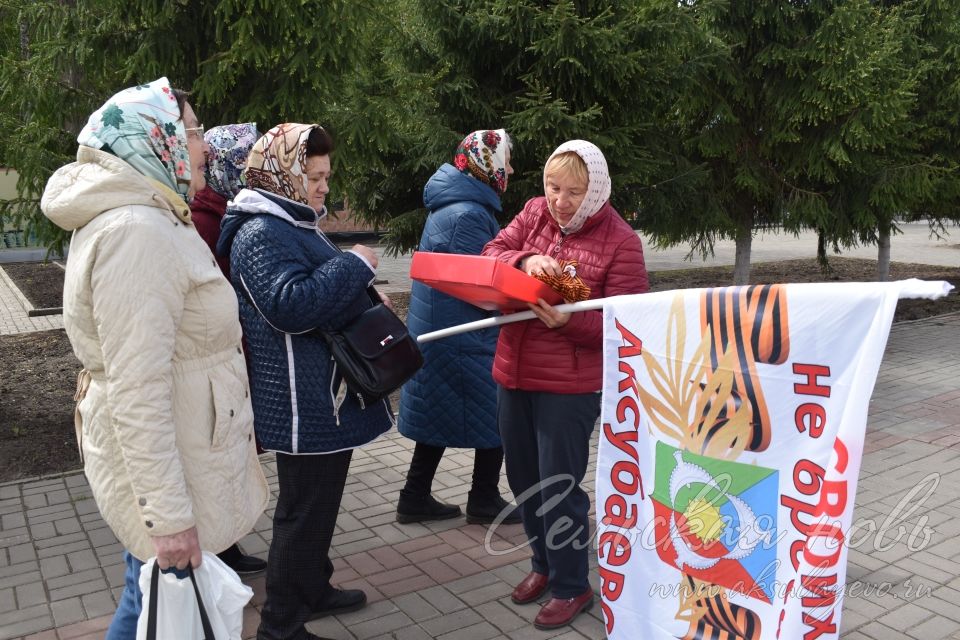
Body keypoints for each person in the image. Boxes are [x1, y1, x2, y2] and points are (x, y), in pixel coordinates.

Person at [40, 77, 269, 639]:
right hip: (175, 471)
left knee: (146, 597)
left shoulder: (153, 212)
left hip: (189, 453)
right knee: (152, 604)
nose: (204, 146)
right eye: (192, 131)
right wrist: (167, 519)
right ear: (156, 138)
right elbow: (136, 389)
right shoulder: (137, 231)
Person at [217, 123, 392, 640]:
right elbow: (289, 307)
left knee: (321, 506)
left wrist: (361, 293)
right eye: (313, 176)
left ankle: (313, 588)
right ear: (283, 175)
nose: (323, 188)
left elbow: (312, 294)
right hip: (300, 401)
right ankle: (280, 625)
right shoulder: (258, 232)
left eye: (326, 177)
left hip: (322, 398)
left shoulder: (291, 223)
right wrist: (356, 266)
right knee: (301, 513)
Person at [481, 140, 649, 630]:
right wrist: (527, 261)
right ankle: (543, 565)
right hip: (513, 370)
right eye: (554, 187)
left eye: (574, 192)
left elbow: (626, 324)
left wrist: (568, 322)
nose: (560, 201)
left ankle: (573, 586)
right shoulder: (534, 213)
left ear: (595, 191)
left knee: (558, 487)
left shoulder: (620, 241)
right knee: (523, 481)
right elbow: (492, 252)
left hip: (568, 387)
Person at [396, 129, 521, 525]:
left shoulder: (458, 203)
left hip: (446, 331)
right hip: (462, 335)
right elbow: (480, 282)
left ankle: (414, 497)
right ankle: (483, 498)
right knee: (495, 412)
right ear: (489, 164)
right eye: (507, 160)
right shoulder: (468, 213)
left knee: (440, 413)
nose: (512, 168)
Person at [189, 122, 268, 575]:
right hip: (219, 357)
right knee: (223, 456)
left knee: (235, 454)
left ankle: (228, 546)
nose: (251, 172)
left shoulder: (227, 212)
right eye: (244, 163)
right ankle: (218, 551)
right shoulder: (205, 222)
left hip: (234, 352)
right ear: (225, 167)